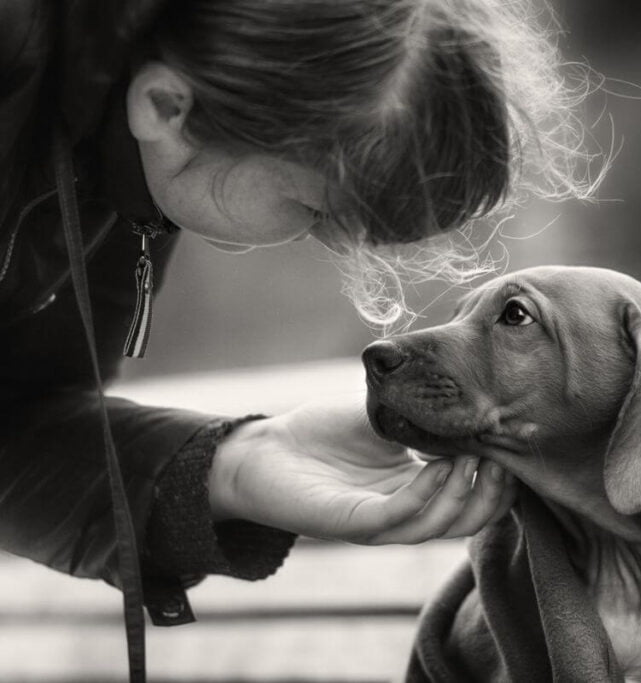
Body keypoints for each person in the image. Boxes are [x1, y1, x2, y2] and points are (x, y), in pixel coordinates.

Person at [0, 0, 595, 674]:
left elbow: (13, 416)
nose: (314, 241)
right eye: (312, 209)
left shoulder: (123, 161)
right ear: (167, 106)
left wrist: (232, 464)